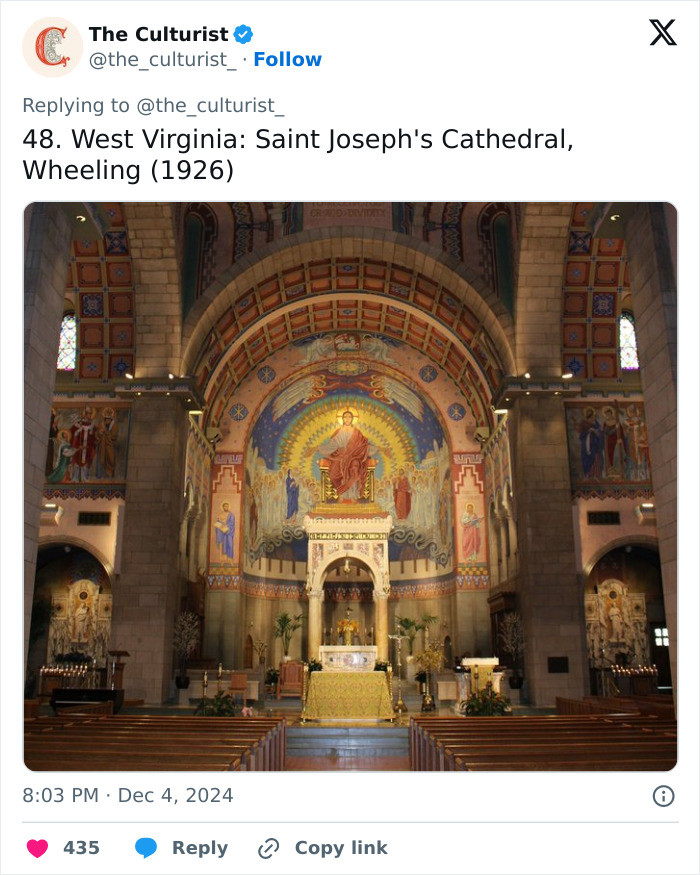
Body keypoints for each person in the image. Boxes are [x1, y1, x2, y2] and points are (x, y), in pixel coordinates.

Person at [317, 410, 377, 500]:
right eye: (345, 417)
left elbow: (363, 446)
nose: (347, 419)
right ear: (342, 419)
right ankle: (342, 494)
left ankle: (353, 495)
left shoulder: (357, 432)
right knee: (333, 474)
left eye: (349, 417)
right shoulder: (338, 431)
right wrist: (317, 448)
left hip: (354, 456)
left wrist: (379, 448)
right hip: (340, 457)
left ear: (352, 419)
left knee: (355, 467)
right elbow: (332, 446)